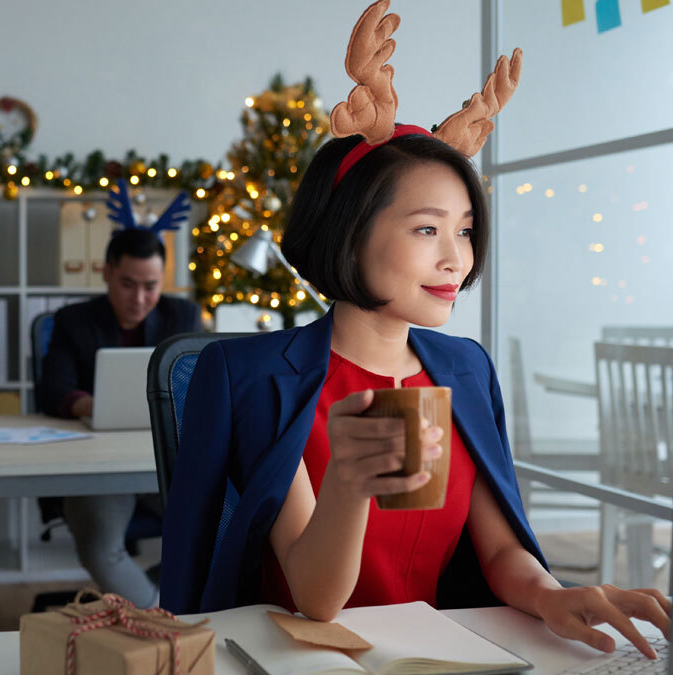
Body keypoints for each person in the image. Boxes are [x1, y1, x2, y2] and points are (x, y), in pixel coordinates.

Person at [161, 0, 670, 660]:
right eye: (427, 229)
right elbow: (316, 599)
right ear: (349, 233)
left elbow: (499, 550)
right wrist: (349, 482)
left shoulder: (465, 368)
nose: (457, 258)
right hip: (300, 657)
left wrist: (551, 594)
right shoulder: (257, 377)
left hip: (439, 653)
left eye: (465, 230)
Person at [41, 225, 201, 609]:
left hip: (162, 458)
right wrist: (94, 406)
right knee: (101, 549)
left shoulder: (182, 315)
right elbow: (53, 390)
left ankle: (157, 601)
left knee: (221, 522)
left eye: (151, 286)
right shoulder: (73, 320)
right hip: (95, 463)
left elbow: (195, 387)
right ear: (107, 272)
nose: (140, 298)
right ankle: (158, 616)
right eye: (128, 284)